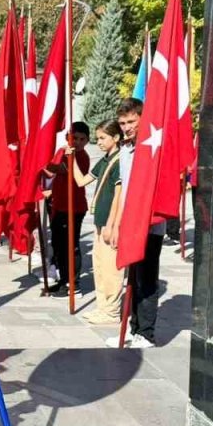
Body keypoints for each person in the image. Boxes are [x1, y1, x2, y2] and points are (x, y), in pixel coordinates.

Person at [104, 98, 164, 349]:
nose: (127, 127)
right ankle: (132, 327)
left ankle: (146, 333)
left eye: (131, 121)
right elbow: (124, 191)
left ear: (142, 118)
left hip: (149, 225)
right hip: (130, 223)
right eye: (122, 123)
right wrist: (116, 224)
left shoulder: (153, 147)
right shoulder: (126, 150)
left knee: (146, 280)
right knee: (133, 277)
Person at [63, 120, 123, 324]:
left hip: (109, 222)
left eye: (103, 138)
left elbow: (119, 195)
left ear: (116, 138)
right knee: (99, 266)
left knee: (111, 269)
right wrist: (71, 160)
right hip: (99, 221)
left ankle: (112, 310)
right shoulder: (105, 160)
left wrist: (112, 224)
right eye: (98, 138)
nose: (99, 142)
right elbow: (81, 181)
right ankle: (102, 307)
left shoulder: (120, 160)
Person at [42, 121, 91, 295]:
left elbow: (61, 169)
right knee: (58, 245)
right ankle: (63, 279)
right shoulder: (62, 152)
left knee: (71, 245)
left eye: (81, 139)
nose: (77, 142)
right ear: (67, 138)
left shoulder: (82, 157)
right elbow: (52, 172)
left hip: (74, 208)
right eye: (73, 138)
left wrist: (42, 159)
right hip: (59, 205)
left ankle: (73, 283)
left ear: (86, 141)